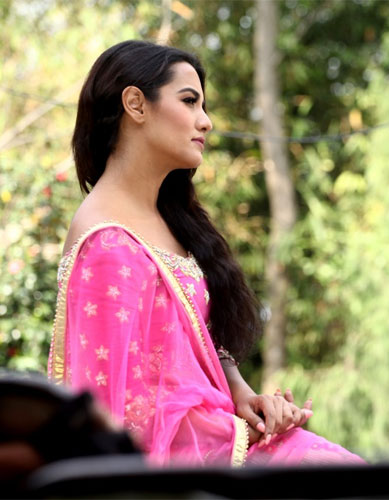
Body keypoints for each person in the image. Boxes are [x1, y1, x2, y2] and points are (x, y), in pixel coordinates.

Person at [48, 40, 364, 467]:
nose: (206, 121)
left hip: (222, 437)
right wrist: (238, 433)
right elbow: (119, 409)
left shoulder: (170, 219)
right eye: (189, 101)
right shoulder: (106, 242)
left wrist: (246, 398)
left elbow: (196, 347)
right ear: (136, 104)